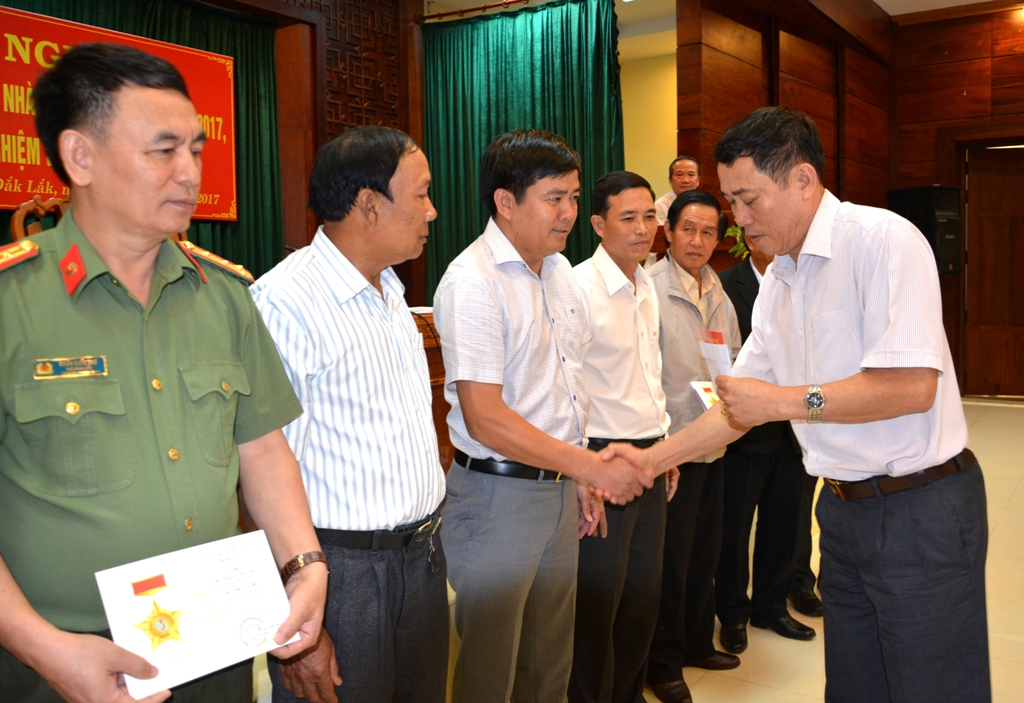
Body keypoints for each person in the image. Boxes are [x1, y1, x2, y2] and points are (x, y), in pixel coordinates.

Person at [604, 106, 989, 703]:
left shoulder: (881, 240)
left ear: (803, 180)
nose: (739, 218)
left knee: (932, 687)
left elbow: (911, 386)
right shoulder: (781, 280)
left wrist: (779, 401)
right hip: (841, 511)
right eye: (732, 201)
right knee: (855, 688)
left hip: (919, 509)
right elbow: (736, 406)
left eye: (749, 199)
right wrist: (649, 462)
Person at [0, 43, 327, 703]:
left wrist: (306, 563)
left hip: (216, 647)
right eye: (164, 150)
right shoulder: (13, 300)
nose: (190, 172)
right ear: (80, 157)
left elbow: (262, 449)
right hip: (61, 663)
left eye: (197, 150)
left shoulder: (224, 295)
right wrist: (43, 647)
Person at [433, 130, 652, 703]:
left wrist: (575, 476)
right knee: (490, 672)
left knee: (548, 665)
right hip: (497, 497)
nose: (569, 213)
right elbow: (485, 417)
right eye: (554, 198)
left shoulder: (558, 272)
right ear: (506, 202)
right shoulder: (473, 280)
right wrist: (589, 466)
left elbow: (565, 391)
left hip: (558, 492)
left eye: (574, 197)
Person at [251, 126, 448, 703]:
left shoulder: (391, 291)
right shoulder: (285, 303)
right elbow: (262, 469)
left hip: (420, 560)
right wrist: (300, 633)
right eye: (421, 194)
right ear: (368, 204)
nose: (432, 211)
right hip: (337, 575)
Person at [568, 171, 680, 703]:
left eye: (649, 216)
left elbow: (650, 377)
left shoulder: (646, 284)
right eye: (628, 218)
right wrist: (581, 469)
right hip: (602, 462)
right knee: (597, 606)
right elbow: (566, 389)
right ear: (597, 224)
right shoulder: (578, 288)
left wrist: (667, 447)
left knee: (641, 598)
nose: (642, 229)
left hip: (649, 457)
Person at [645, 189, 743, 703]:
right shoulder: (650, 288)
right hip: (674, 449)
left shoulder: (718, 289)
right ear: (668, 231)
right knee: (671, 562)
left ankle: (697, 643)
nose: (697, 241)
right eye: (688, 229)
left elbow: (734, 356)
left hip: (716, 442)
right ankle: (662, 665)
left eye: (708, 232)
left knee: (706, 552)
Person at [714, 231, 815, 656]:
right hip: (743, 435)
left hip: (794, 431)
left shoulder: (801, 282)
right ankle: (733, 613)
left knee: (785, 525)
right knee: (735, 530)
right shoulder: (725, 284)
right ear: (744, 238)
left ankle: (771, 607)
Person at [654, 156, 701, 226]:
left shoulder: (704, 204)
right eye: (679, 175)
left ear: (698, 181)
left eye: (691, 175)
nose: (685, 180)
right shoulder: (660, 206)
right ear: (670, 181)